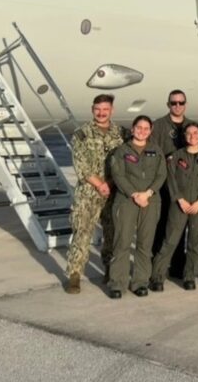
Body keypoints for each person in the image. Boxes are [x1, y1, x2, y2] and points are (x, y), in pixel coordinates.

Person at [64, 94, 126, 295]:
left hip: (112, 191)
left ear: (112, 110)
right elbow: (81, 165)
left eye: (105, 109)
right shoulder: (81, 134)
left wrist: (109, 183)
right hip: (88, 192)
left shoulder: (121, 133)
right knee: (82, 233)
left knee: (112, 233)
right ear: (92, 110)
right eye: (98, 109)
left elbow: (124, 162)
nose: (101, 113)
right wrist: (100, 184)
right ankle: (74, 275)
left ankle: (109, 269)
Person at [149, 122, 198, 292]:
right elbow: (170, 179)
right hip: (179, 205)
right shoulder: (175, 157)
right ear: (185, 136)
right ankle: (157, 276)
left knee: (196, 242)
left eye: (196, 133)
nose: (192, 136)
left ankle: (189, 276)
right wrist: (180, 200)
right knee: (170, 240)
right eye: (189, 133)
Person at [107, 116, 167, 299]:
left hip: (150, 201)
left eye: (146, 128)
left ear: (150, 131)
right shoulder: (121, 151)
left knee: (145, 244)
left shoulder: (156, 151)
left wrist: (147, 193)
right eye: (138, 127)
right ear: (132, 130)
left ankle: (140, 282)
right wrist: (134, 194)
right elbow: (118, 175)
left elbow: (161, 175)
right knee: (122, 242)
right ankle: (118, 283)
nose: (142, 131)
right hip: (127, 200)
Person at [150, 90, 189, 280]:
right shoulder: (158, 126)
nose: (177, 106)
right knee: (161, 225)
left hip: (184, 184)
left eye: (181, 103)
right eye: (174, 103)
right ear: (168, 105)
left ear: (185, 105)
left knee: (180, 226)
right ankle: (157, 265)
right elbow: (153, 152)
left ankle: (178, 265)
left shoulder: (191, 126)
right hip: (164, 183)